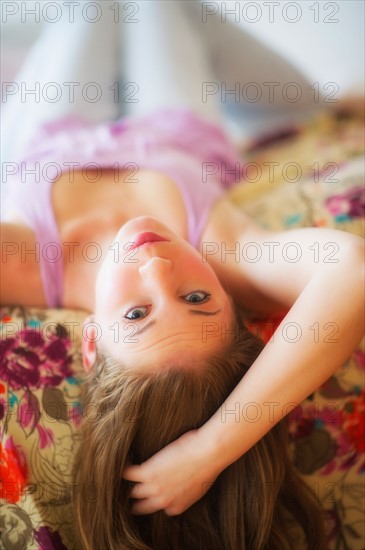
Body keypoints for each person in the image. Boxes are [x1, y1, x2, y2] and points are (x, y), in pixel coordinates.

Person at [1, 2, 364, 549]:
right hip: (174, 133)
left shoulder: (24, 265)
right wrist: (212, 447)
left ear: (93, 342)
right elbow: (352, 271)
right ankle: (318, 107)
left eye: (137, 313)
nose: (155, 266)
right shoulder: (225, 252)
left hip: (49, 139)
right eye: (197, 297)